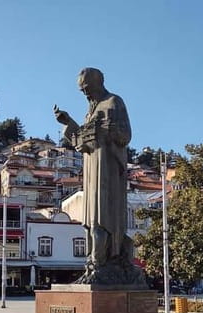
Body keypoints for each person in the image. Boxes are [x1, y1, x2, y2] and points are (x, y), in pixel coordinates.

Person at [54, 67, 142, 285]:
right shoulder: (90, 111)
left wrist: (108, 130)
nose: (85, 93)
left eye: (87, 88)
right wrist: (69, 123)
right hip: (91, 169)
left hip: (108, 170)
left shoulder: (113, 102)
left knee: (102, 219)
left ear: (98, 83)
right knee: (91, 220)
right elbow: (82, 141)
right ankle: (92, 266)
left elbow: (125, 136)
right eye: (82, 90)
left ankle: (102, 264)